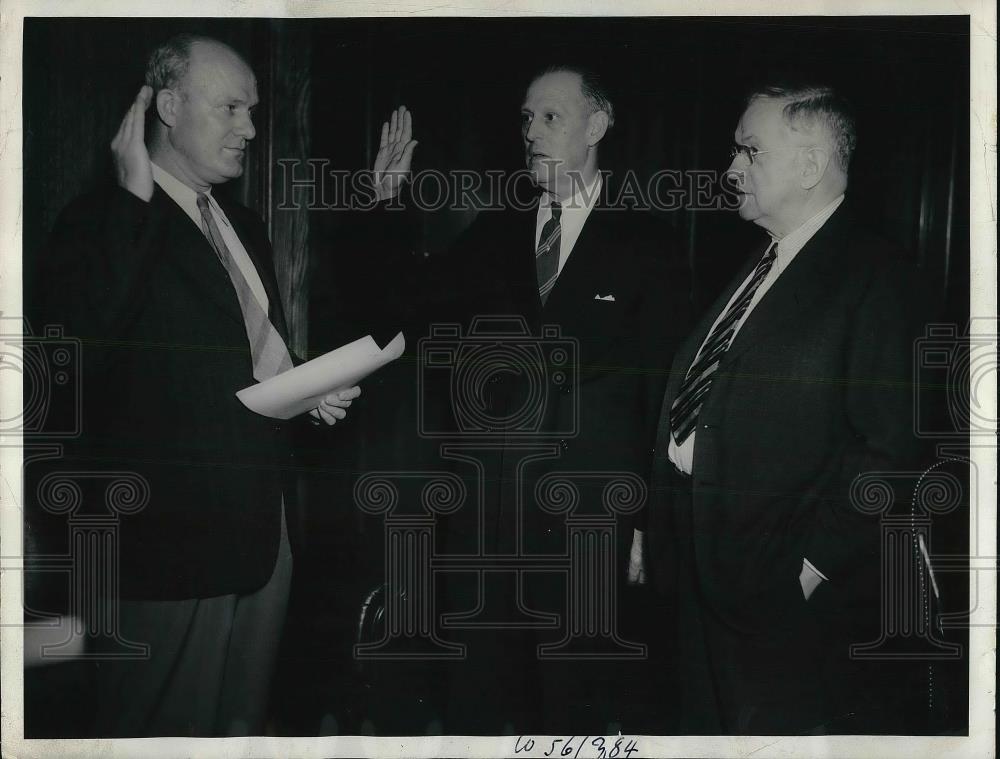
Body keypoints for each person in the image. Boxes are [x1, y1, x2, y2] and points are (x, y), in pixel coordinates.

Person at [34, 33, 359, 736]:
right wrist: (131, 202)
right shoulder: (100, 220)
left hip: (262, 537)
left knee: (237, 729)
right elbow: (72, 358)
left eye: (253, 109)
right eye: (231, 107)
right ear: (170, 106)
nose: (249, 127)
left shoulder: (241, 222)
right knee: (160, 732)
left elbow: (243, 350)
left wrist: (308, 384)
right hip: (166, 547)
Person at [360, 65, 691, 733]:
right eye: (524, 119)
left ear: (596, 126)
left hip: (589, 531)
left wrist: (650, 526)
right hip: (485, 527)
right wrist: (386, 203)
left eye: (550, 118)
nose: (530, 134)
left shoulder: (650, 244)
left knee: (577, 709)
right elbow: (403, 308)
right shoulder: (493, 234)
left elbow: (668, 396)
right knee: (477, 707)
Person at [643, 83, 923, 733]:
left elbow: (890, 450)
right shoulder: (762, 261)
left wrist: (808, 568)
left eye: (750, 150)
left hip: (775, 593)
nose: (731, 168)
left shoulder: (876, 273)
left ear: (809, 164)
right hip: (699, 568)